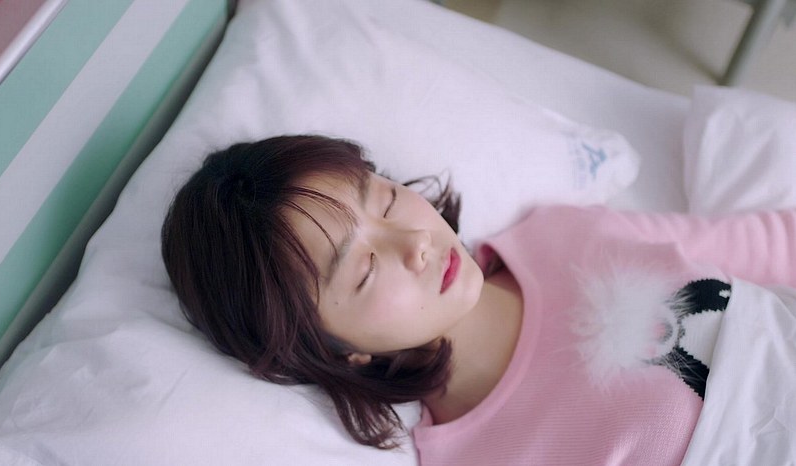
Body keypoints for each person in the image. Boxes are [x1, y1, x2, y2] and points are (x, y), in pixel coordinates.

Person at [161, 135, 796, 465]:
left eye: (385, 200)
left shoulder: (562, 234)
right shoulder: (479, 457)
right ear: (332, 349)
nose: (415, 243)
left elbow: (769, 244)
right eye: (362, 270)